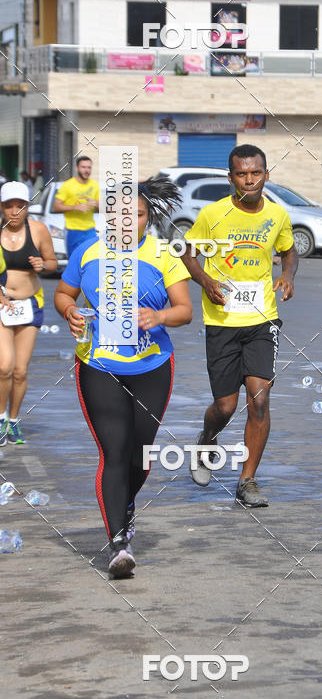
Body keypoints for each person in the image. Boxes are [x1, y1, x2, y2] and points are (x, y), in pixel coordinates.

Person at [54, 176, 192, 579]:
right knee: (114, 451)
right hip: (98, 365)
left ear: (149, 219)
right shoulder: (88, 252)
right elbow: (64, 294)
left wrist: (160, 316)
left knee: (142, 453)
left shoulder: (164, 255)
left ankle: (124, 504)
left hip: (151, 365)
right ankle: (118, 542)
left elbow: (184, 310)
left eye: (139, 215)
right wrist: (70, 311)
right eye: (121, 214)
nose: (129, 221)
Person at [182, 144, 298, 509]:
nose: (250, 180)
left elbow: (289, 249)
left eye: (256, 173)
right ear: (230, 178)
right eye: (242, 174)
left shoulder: (278, 215)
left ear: (266, 174)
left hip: (262, 318)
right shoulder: (213, 214)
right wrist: (205, 281)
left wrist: (288, 275)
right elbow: (188, 251)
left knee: (259, 400)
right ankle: (206, 438)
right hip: (221, 321)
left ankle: (247, 480)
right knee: (226, 405)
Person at [0, 181, 58, 446]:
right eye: (8, 206)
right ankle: (1, 417)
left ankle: (13, 421)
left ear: (27, 207)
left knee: (20, 371)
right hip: (2, 304)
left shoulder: (38, 230)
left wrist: (42, 264)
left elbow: (53, 263)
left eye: (19, 206)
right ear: (1, 208)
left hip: (29, 304)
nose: (14, 211)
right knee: (4, 367)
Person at [53, 156, 99, 258]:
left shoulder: (95, 185)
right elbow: (56, 206)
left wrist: (96, 203)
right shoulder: (67, 185)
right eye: (83, 167)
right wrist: (75, 207)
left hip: (90, 230)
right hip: (73, 231)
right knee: (74, 261)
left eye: (89, 167)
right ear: (77, 168)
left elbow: (102, 208)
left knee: (91, 260)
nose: (86, 170)